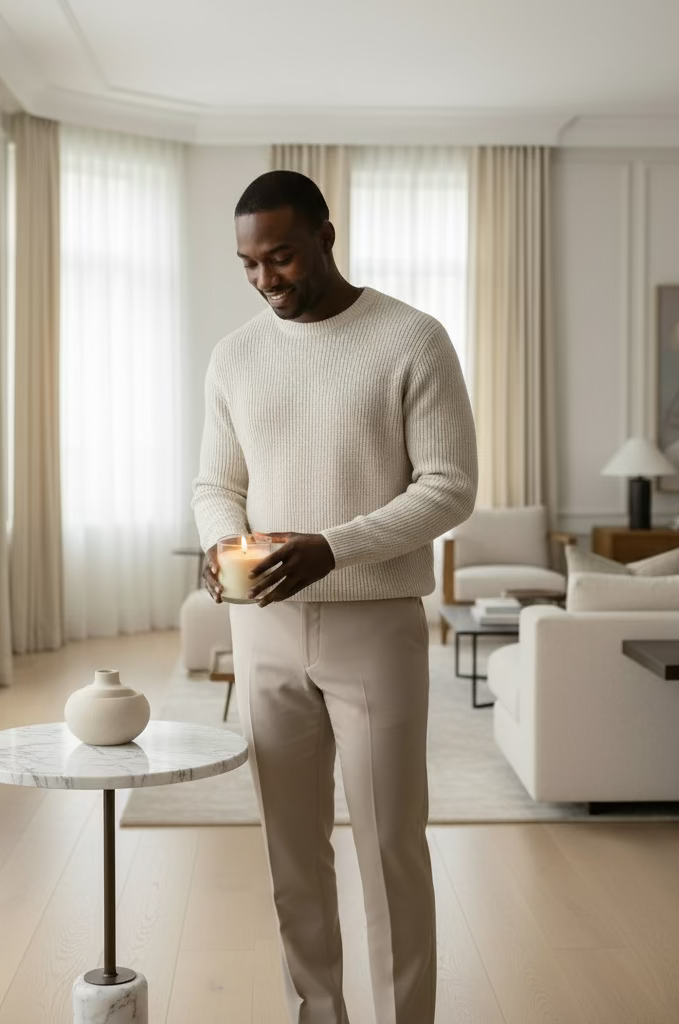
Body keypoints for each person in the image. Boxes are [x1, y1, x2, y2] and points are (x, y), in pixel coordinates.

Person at [192, 169, 477, 1024]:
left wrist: (333, 547)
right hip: (265, 629)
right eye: (249, 264)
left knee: (391, 848)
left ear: (326, 235)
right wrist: (222, 542)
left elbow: (449, 488)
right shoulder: (235, 355)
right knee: (291, 853)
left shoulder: (412, 339)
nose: (265, 279)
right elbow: (217, 483)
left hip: (377, 628)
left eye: (280, 257)